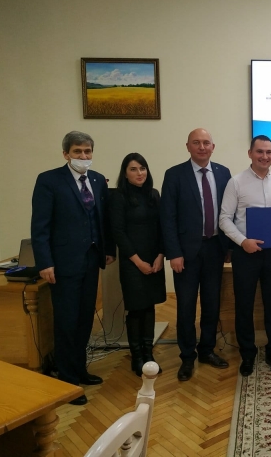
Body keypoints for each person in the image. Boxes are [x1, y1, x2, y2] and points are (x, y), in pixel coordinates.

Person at [31, 131, 116, 405]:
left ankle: (80, 369)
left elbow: (103, 220)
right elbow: (40, 225)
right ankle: (67, 381)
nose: (83, 156)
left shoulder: (97, 180)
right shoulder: (49, 180)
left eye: (87, 151)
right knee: (67, 321)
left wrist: (108, 250)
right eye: (78, 151)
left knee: (84, 319)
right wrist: (44, 262)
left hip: (91, 260)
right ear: (66, 154)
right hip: (63, 263)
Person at [160, 128, 232, 381]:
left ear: (213, 147)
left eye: (206, 143)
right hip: (186, 252)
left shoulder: (223, 173)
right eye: (196, 143)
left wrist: (228, 247)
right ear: (188, 146)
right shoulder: (174, 174)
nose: (202, 147)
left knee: (212, 304)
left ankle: (207, 350)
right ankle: (187, 356)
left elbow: (230, 212)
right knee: (186, 307)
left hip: (215, 248)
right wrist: (173, 253)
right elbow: (167, 217)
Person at [219, 135, 271, 377]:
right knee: (244, 306)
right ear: (250, 153)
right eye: (260, 151)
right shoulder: (236, 182)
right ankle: (247, 354)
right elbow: (224, 219)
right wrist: (243, 241)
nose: (265, 156)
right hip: (245, 253)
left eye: (269, 152)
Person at [109, 153, 166, 377]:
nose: (139, 173)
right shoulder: (119, 197)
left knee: (149, 306)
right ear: (125, 173)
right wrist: (138, 261)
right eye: (133, 169)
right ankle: (137, 357)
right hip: (132, 261)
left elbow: (162, 227)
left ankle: (148, 354)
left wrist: (160, 255)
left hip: (154, 259)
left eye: (142, 168)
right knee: (136, 308)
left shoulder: (154, 194)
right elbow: (118, 232)